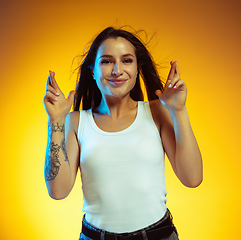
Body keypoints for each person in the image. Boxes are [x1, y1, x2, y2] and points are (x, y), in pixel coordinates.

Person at [43, 27, 203, 240]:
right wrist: (55, 121)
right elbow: (58, 191)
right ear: (93, 70)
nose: (117, 70)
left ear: (137, 68)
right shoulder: (76, 122)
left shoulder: (156, 113)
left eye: (127, 60)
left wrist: (179, 111)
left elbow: (192, 178)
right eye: (107, 61)